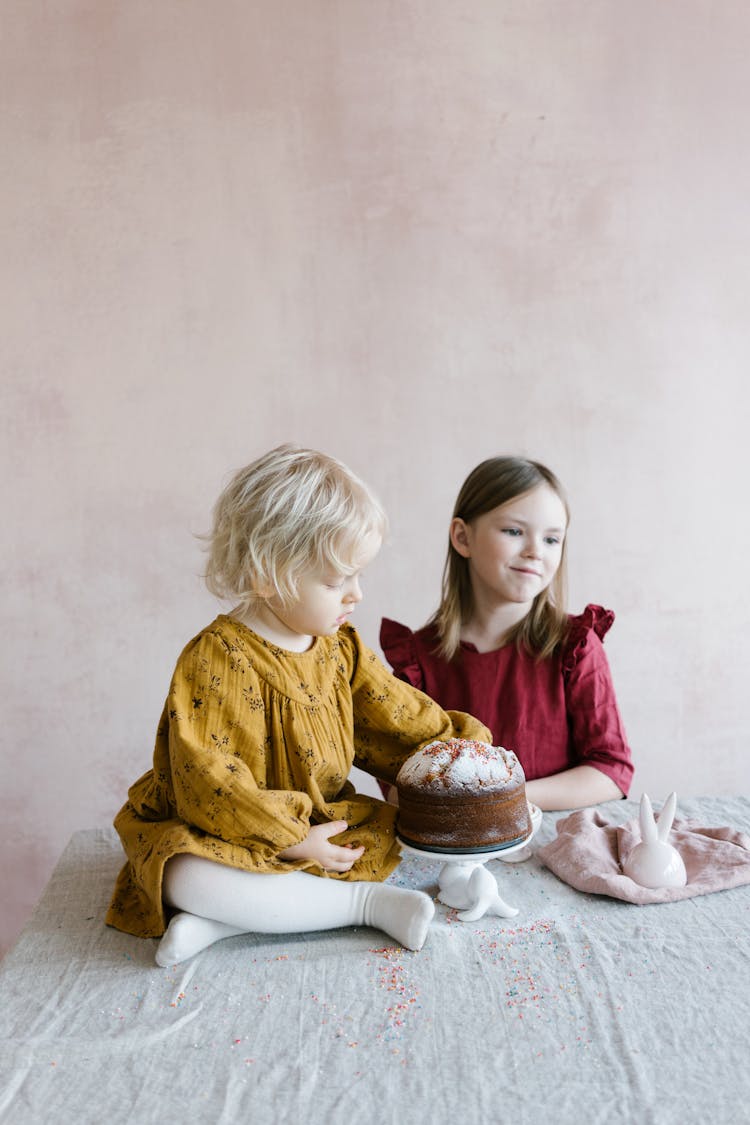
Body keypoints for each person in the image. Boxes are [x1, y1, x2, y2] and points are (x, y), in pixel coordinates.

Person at [106, 445, 491, 966]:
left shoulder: (340, 648)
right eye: (335, 581)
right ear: (268, 574)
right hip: (218, 826)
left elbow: (398, 718)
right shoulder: (217, 657)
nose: (355, 594)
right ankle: (365, 906)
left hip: (323, 823)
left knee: (383, 840)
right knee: (182, 872)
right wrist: (287, 838)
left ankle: (220, 925)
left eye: (357, 576)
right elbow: (208, 778)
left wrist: (465, 758)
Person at [380, 456, 634, 811]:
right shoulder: (418, 663)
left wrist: (499, 798)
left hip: (552, 847)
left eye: (551, 539)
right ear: (463, 537)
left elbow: (610, 770)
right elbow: (398, 787)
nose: (534, 551)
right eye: (514, 532)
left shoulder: (575, 648)